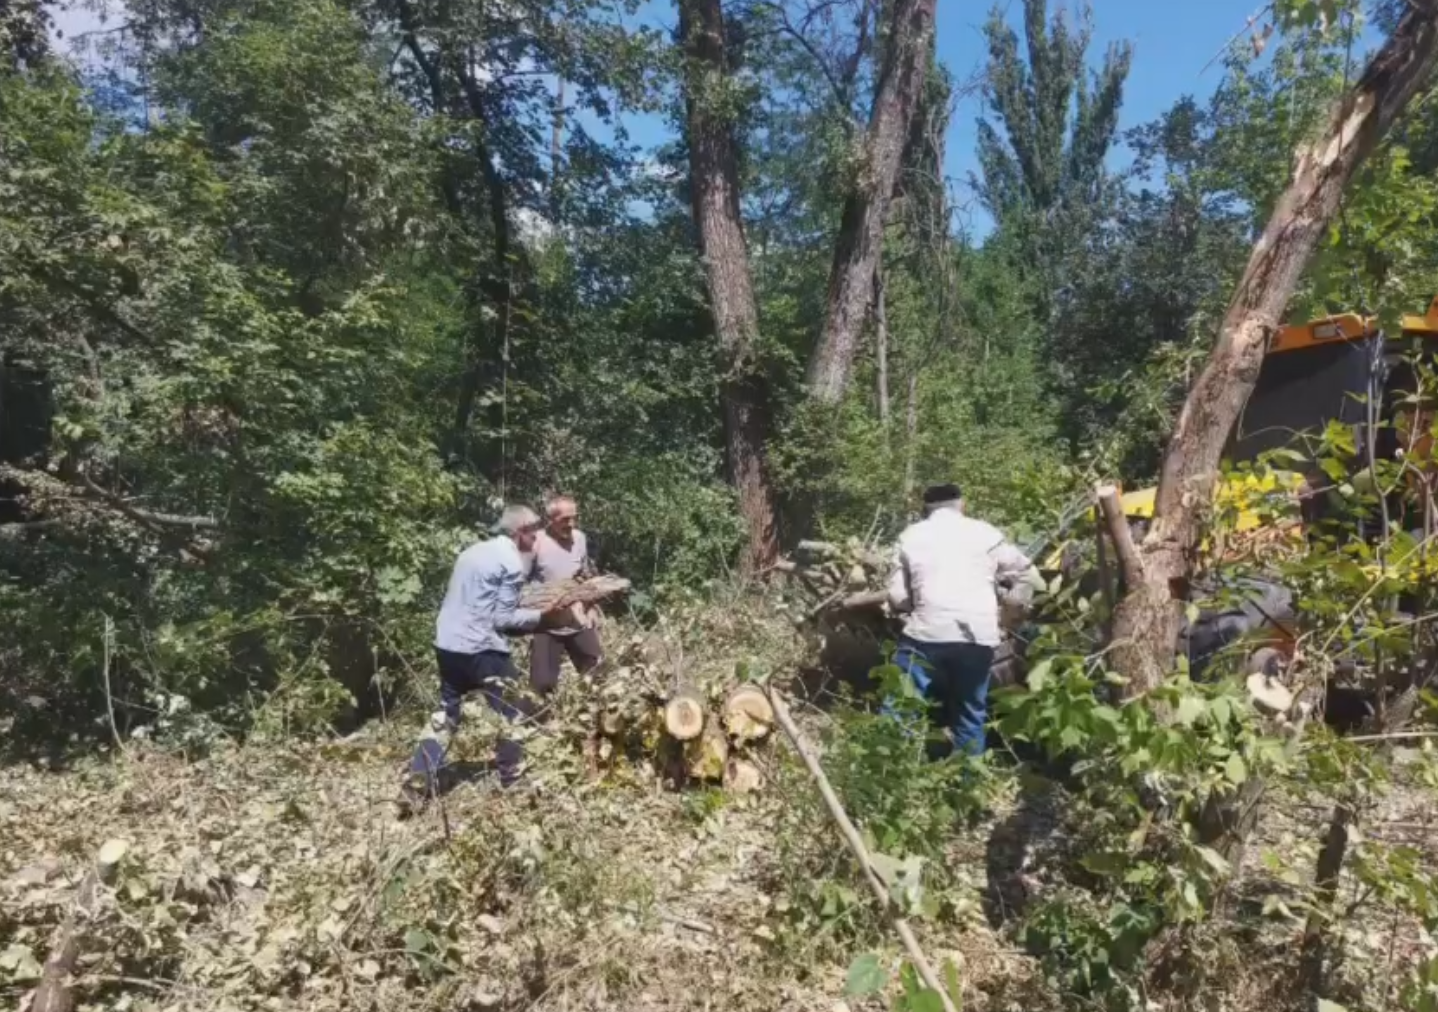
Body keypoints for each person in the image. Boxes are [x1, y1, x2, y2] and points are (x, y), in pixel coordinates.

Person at [400, 505, 577, 811]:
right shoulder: (510, 562)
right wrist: (544, 616)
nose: (537, 536)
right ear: (517, 532)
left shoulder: (471, 552)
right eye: (532, 530)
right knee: (511, 714)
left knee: (447, 713)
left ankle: (417, 783)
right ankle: (513, 783)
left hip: (447, 645)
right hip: (481, 648)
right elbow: (504, 620)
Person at [885, 483, 1043, 758]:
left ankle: (891, 770)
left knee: (902, 703)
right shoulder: (986, 533)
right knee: (971, 711)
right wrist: (1010, 614)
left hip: (926, 635)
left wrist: (912, 604)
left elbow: (897, 596)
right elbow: (1026, 572)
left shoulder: (910, 536)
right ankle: (968, 782)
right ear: (962, 505)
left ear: (926, 509)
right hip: (978, 637)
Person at [528, 495, 605, 692]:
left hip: (576, 619)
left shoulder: (580, 539)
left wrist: (591, 607)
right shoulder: (535, 543)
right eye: (565, 519)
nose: (571, 524)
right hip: (547, 625)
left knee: (598, 673)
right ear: (550, 519)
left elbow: (584, 576)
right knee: (543, 685)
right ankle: (538, 721)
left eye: (574, 518)